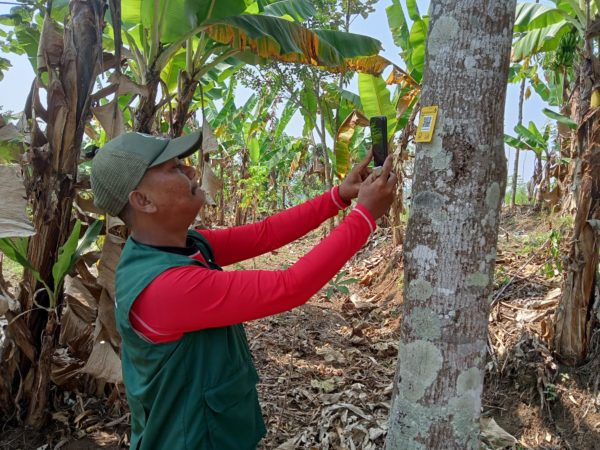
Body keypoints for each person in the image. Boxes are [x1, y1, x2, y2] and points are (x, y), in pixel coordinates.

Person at [90, 131, 397, 450]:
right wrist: (364, 217)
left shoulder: (179, 245)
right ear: (143, 200)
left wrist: (339, 196)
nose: (192, 171)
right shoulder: (164, 288)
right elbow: (290, 287)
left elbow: (265, 234)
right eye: (174, 168)